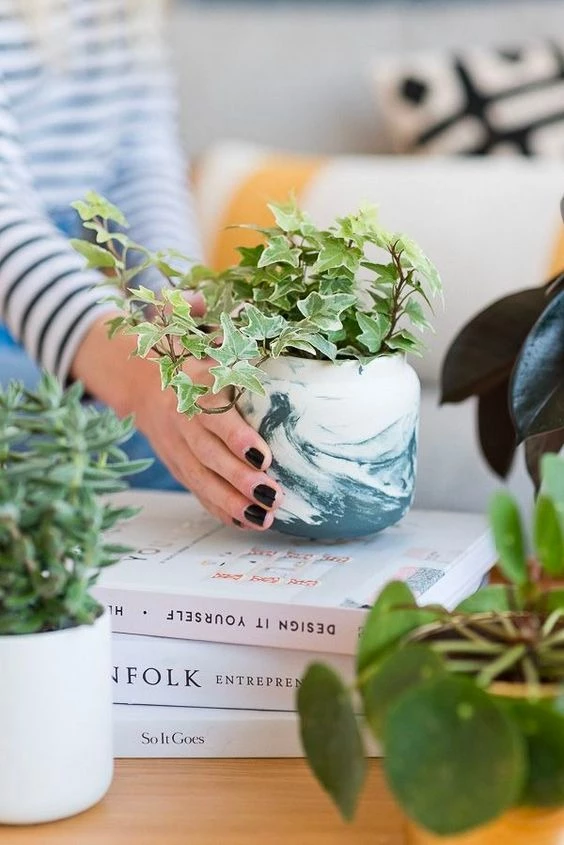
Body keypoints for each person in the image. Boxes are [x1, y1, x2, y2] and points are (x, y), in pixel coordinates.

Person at [0, 0, 282, 531]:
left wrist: (176, 302)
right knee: (118, 442)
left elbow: (139, 161)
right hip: (31, 280)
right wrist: (137, 375)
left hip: (62, 280)